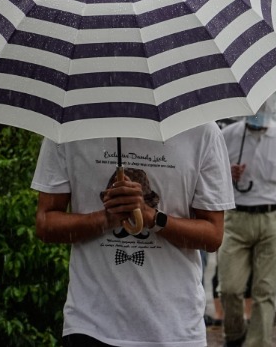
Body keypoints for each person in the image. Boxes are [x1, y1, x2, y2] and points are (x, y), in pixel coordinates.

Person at [32, 123, 234, 347]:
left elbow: (213, 235)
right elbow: (45, 223)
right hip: (91, 325)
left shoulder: (200, 131)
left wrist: (151, 217)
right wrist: (105, 219)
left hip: (176, 327)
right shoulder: (68, 128)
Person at [220, 105, 276, 347]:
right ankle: (235, 335)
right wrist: (227, 173)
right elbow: (209, 174)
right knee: (229, 287)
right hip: (236, 219)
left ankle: (258, 342)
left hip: (273, 219)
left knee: (265, 290)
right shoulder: (227, 136)